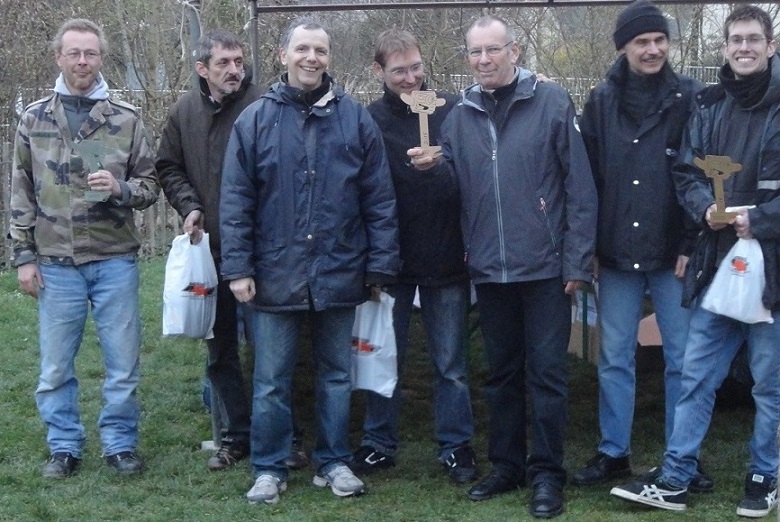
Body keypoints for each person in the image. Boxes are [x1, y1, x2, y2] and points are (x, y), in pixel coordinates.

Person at [411, 15, 597, 519]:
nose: (484, 60)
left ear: (514, 51)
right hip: (490, 268)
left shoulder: (551, 102)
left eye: (493, 49)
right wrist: (434, 168)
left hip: (545, 267)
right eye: (475, 52)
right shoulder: (459, 115)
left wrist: (577, 260)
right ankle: (507, 464)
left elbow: (579, 188)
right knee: (501, 375)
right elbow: (456, 189)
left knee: (548, 376)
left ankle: (547, 473)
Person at [219, 17, 400, 505]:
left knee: (337, 376)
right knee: (270, 381)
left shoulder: (355, 119)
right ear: (283, 55)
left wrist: (380, 266)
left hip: (340, 269)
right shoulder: (255, 120)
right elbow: (235, 200)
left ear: (329, 58)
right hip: (273, 272)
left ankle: (334, 461)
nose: (311, 58)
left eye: (319, 50)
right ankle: (269, 467)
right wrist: (238, 268)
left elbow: (378, 198)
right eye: (302, 49)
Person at [611, 5, 780, 518]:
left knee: (769, 383)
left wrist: (762, 220)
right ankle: (676, 476)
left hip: (773, 270)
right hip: (716, 266)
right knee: (696, 375)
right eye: (736, 40)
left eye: (753, 39)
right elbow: (686, 173)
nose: (744, 48)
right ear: (724, 48)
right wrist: (705, 208)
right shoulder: (708, 104)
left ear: (771, 46)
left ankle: (764, 476)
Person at [10, 18, 159, 478]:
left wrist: (119, 188)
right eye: (73, 53)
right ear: (58, 57)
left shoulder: (125, 119)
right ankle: (64, 447)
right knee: (55, 367)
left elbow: (150, 185)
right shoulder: (34, 119)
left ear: (100, 58)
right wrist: (23, 256)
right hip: (56, 263)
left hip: (114, 259)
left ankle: (119, 444)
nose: (82, 61)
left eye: (90, 53)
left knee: (122, 364)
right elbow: (21, 190)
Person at [573, 0, 712, 492]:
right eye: (641, 42)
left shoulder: (690, 97)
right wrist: (588, 245)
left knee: (683, 359)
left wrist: (692, 240)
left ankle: (683, 456)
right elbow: (587, 180)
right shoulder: (600, 101)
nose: (652, 50)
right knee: (614, 358)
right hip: (614, 251)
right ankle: (614, 452)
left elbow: (698, 174)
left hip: (674, 251)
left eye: (659, 40)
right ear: (624, 48)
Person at [156, 30, 308, 472]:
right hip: (213, 252)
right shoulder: (184, 111)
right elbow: (168, 165)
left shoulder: (266, 104)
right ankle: (236, 435)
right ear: (202, 68)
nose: (234, 70)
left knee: (272, 353)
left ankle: (286, 436)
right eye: (223, 63)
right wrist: (190, 205)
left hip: (265, 253)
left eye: (238, 61)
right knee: (220, 351)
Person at [349, 28, 477, 484]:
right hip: (393, 259)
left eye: (416, 67)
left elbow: (470, 175)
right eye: (400, 70)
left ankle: (456, 446)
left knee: (451, 364)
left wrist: (441, 165)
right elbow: (365, 189)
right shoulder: (369, 120)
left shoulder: (453, 110)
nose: (410, 78)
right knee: (385, 358)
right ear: (378, 70)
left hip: (447, 256)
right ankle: (378, 443)